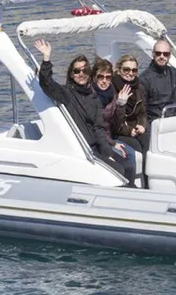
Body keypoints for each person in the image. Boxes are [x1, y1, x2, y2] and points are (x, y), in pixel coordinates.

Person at [33, 40, 126, 178]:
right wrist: (46, 59)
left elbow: (98, 129)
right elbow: (47, 84)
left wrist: (108, 153)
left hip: (94, 148)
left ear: (89, 73)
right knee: (119, 171)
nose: (81, 74)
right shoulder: (66, 93)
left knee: (125, 165)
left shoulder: (93, 98)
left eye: (85, 70)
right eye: (77, 71)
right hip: (80, 150)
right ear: (71, 74)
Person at [92, 58, 138, 188]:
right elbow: (95, 127)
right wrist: (112, 143)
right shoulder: (91, 96)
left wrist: (121, 105)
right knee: (125, 160)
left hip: (109, 135)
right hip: (98, 139)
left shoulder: (112, 93)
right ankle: (124, 188)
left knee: (131, 151)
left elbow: (116, 123)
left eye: (108, 77)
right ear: (94, 77)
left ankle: (130, 185)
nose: (104, 81)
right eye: (100, 77)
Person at [109, 54, 151, 156]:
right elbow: (112, 121)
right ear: (119, 70)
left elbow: (142, 112)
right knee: (136, 146)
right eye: (126, 70)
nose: (130, 73)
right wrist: (121, 103)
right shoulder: (111, 89)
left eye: (134, 70)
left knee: (148, 141)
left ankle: (148, 171)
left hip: (133, 129)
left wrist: (142, 125)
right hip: (117, 131)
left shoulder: (138, 88)